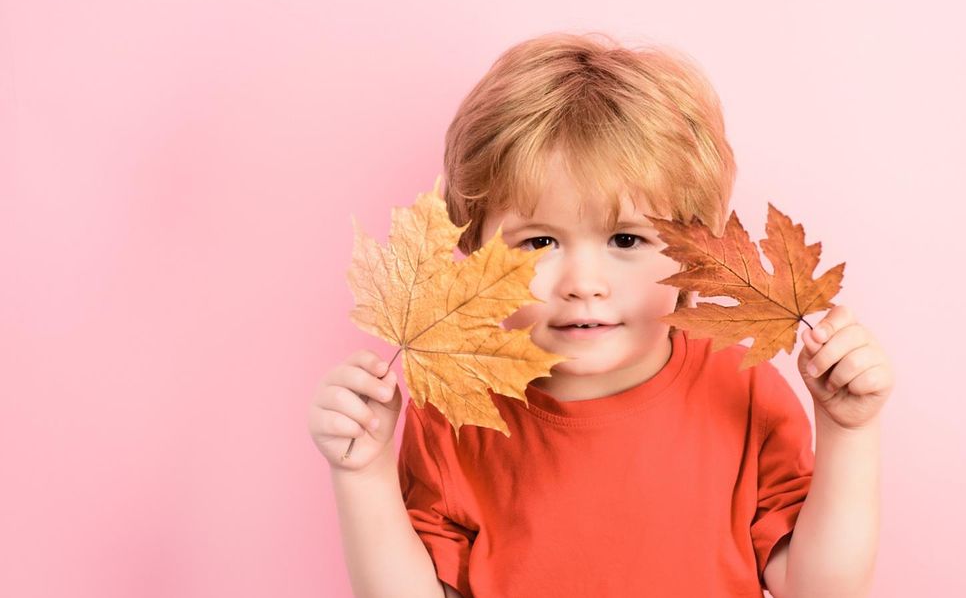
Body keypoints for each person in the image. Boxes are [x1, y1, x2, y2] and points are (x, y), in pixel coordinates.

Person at [308, 31, 895, 598]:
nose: (584, 285)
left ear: (695, 251)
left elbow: (823, 591)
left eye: (626, 239)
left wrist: (848, 433)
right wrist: (363, 476)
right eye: (539, 242)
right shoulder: (455, 412)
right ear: (472, 250)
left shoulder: (741, 390)